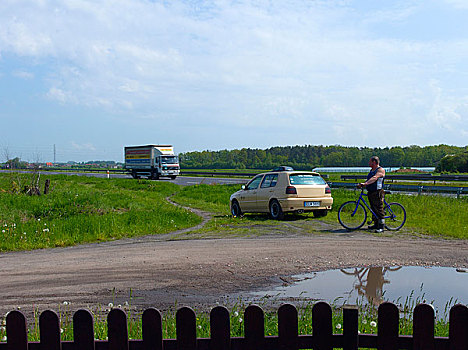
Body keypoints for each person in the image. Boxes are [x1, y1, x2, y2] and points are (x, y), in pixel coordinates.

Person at [358, 156, 386, 233]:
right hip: (371, 192)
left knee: (379, 208)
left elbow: (375, 178)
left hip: (378, 192)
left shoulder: (380, 170)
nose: (368, 163)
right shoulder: (372, 170)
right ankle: (376, 224)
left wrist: (366, 183)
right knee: (373, 208)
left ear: (374, 162)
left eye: (370, 161)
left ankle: (381, 226)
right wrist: (362, 184)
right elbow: (369, 179)